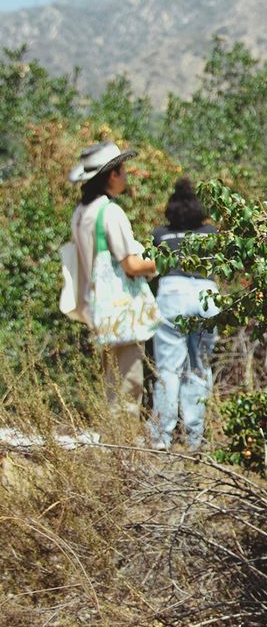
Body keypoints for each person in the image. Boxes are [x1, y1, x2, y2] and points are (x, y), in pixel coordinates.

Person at [68, 141, 158, 415]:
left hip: (97, 310)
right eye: (122, 169)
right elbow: (130, 263)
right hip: (121, 313)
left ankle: (112, 443)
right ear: (112, 175)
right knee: (128, 387)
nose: (126, 175)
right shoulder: (110, 212)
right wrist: (159, 264)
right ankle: (123, 447)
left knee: (111, 383)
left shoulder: (80, 213)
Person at [147, 178, 220, 451]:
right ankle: (195, 439)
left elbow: (152, 267)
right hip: (206, 296)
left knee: (168, 369)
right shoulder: (211, 232)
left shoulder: (161, 235)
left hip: (172, 294)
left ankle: (161, 438)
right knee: (199, 367)